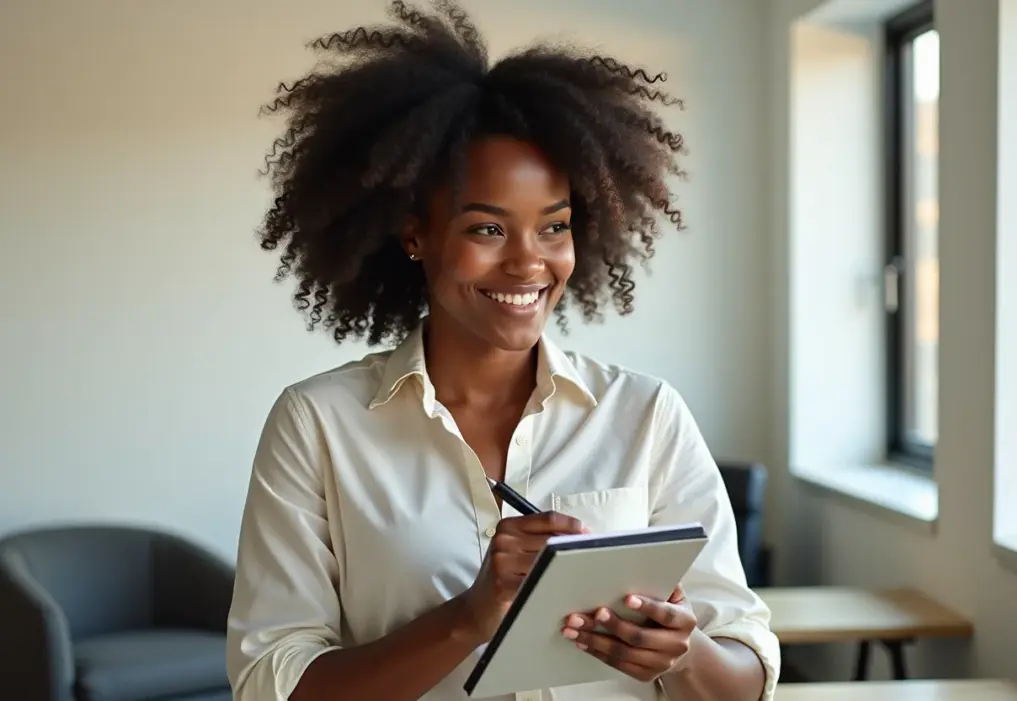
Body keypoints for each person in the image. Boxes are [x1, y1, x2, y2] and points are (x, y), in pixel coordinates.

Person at [226, 1, 780, 700]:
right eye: (487, 229)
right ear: (413, 234)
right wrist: (467, 618)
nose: (529, 263)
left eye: (555, 226)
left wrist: (680, 651)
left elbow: (745, 673)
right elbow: (270, 684)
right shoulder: (318, 425)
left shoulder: (645, 414)